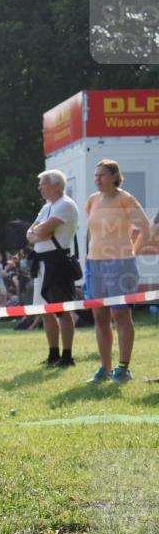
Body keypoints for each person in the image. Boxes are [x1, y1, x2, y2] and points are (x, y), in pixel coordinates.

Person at [84, 159, 156, 384]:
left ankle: (123, 368)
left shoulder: (125, 199)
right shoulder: (93, 200)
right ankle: (104, 368)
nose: (97, 179)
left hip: (120, 263)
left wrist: (134, 251)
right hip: (94, 264)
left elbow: (145, 228)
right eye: (95, 175)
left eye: (102, 175)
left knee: (121, 315)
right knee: (100, 316)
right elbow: (91, 232)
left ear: (115, 177)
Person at [26, 169, 79, 367]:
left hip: (56, 263)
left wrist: (38, 232)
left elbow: (41, 230)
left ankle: (67, 356)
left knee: (61, 310)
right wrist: (38, 232)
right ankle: (53, 354)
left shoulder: (65, 205)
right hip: (41, 263)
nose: (40, 187)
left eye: (43, 183)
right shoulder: (47, 207)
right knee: (44, 310)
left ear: (56, 185)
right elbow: (30, 233)